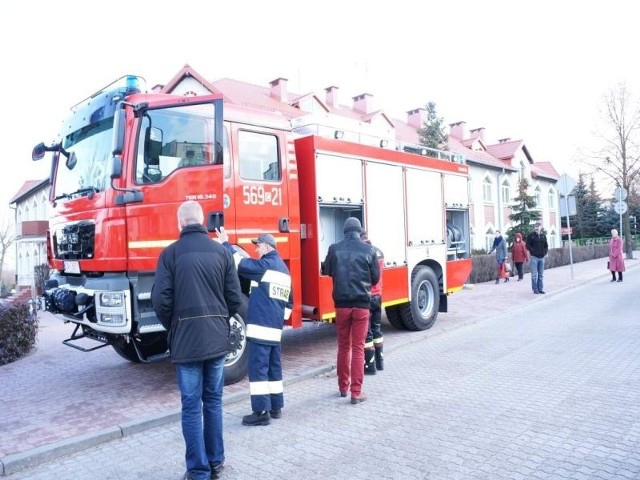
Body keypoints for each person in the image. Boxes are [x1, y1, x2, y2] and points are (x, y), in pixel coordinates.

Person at [151, 200, 242, 480]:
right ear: (202, 222)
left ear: (180, 224)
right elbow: (235, 299)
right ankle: (216, 462)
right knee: (213, 402)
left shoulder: (170, 255)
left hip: (186, 342)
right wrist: (219, 321)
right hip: (216, 342)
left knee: (191, 406)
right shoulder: (222, 253)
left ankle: (198, 470)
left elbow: (161, 301)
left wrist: (175, 326)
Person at [216, 228, 293, 426]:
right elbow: (289, 304)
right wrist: (277, 320)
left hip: (260, 330)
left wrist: (225, 243)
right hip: (275, 331)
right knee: (273, 369)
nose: (256, 250)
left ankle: (260, 412)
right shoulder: (284, 270)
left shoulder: (265, 266)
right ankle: (276, 407)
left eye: (258, 246)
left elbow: (240, 263)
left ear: (267, 246)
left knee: (258, 370)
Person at [321, 217, 380, 404]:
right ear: (359, 232)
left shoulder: (334, 249)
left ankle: (342, 388)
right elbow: (375, 279)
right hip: (362, 305)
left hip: (341, 305)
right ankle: (356, 392)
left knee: (343, 347)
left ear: (345, 231)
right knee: (358, 348)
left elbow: (326, 270)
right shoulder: (369, 250)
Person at [360, 230, 385, 375]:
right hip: (378, 295)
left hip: (368, 296)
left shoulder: (364, 253)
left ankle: (370, 366)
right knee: (377, 329)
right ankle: (380, 361)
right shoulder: (379, 252)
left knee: (367, 332)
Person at [526, 221, 549, 294]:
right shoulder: (531, 236)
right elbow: (527, 245)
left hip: (542, 258)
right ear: (534, 228)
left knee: (541, 275)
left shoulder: (543, 236)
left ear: (540, 227)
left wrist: (544, 252)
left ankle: (540, 289)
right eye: (535, 226)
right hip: (534, 258)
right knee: (534, 275)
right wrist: (532, 251)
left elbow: (546, 245)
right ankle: (535, 289)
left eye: (538, 226)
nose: (536, 228)